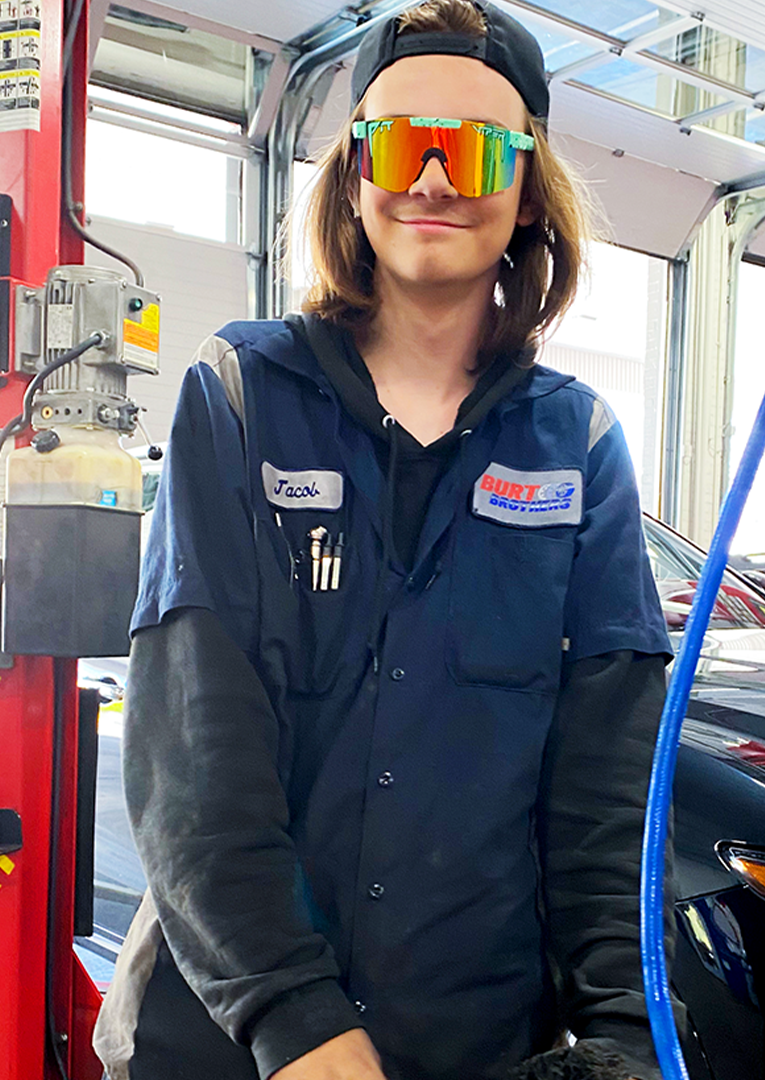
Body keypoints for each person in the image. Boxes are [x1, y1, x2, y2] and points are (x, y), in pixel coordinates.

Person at [93, 2, 684, 1078]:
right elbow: (196, 755)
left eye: (475, 149)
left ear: (527, 188)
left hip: (471, 1045)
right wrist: (296, 1019)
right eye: (405, 145)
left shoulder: (580, 445)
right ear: (357, 173)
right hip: (239, 1039)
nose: (435, 181)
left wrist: (624, 1031)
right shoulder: (240, 398)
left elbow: (609, 795)